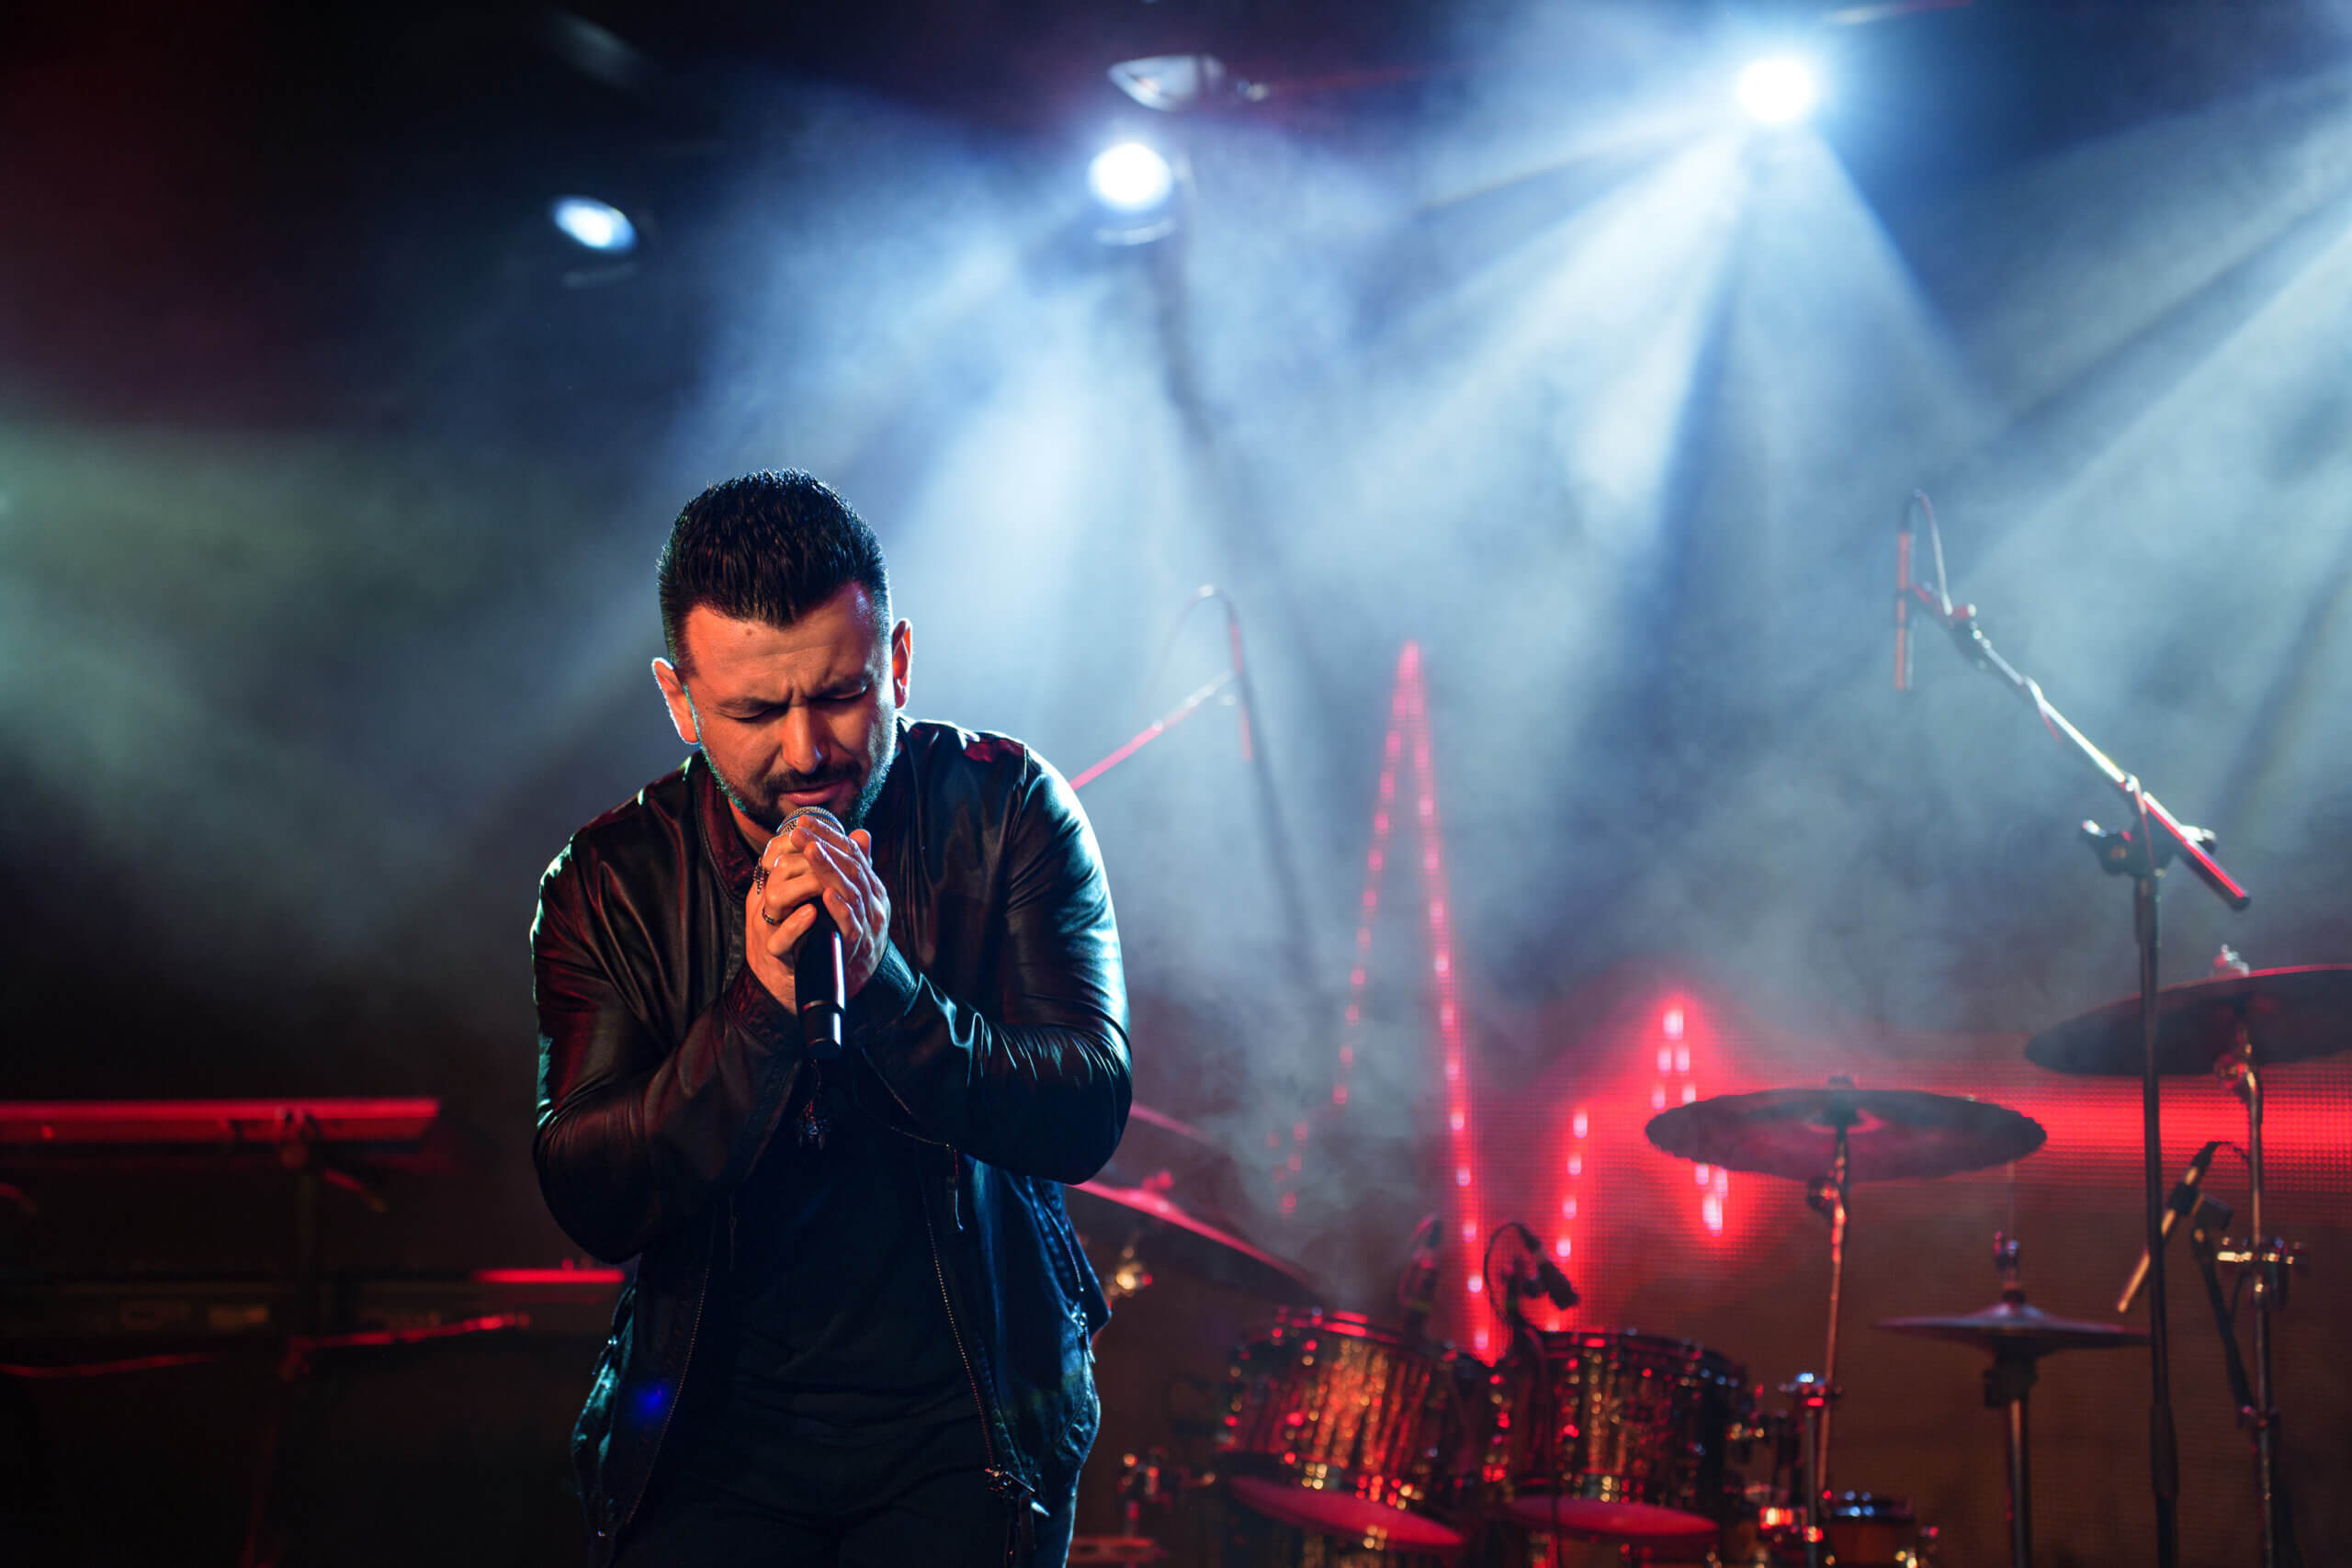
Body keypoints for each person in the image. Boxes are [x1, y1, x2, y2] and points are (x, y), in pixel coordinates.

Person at [532, 469, 1130, 1567]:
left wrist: (885, 988)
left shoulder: (1008, 811)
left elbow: (1085, 1108)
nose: (806, 751)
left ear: (895, 661)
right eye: (756, 712)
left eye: (841, 695)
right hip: (705, 1444)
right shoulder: (609, 883)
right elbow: (591, 1191)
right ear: (680, 700)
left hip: (971, 1433)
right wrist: (759, 1012)